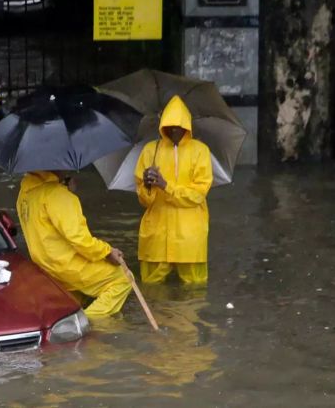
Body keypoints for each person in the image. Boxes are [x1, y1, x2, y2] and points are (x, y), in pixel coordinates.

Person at [16, 171, 132, 318]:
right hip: (69, 266)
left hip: (46, 266)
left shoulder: (24, 193)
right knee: (123, 278)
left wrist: (61, 186)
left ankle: (72, 316)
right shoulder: (58, 195)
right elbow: (79, 239)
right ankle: (88, 322)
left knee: (73, 301)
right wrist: (107, 252)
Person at [134, 95, 213, 285]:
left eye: (179, 126)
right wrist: (146, 185)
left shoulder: (200, 151)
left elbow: (197, 194)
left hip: (189, 237)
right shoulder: (150, 151)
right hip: (157, 235)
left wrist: (165, 186)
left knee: (195, 289)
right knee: (150, 287)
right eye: (170, 126)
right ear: (162, 126)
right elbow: (144, 201)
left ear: (187, 127)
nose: (175, 130)